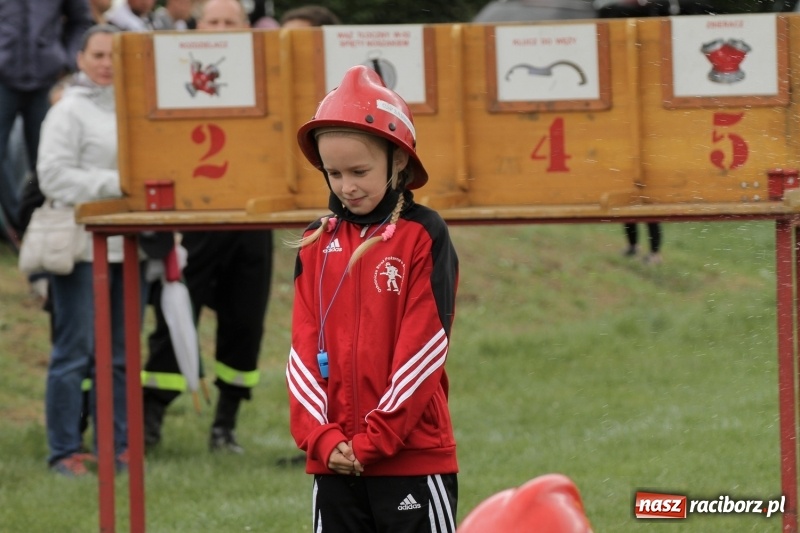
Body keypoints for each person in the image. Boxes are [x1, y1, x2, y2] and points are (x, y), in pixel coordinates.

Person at [286, 64, 460, 532]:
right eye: (334, 173)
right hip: (333, 459)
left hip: (411, 458)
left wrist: (373, 441)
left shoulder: (423, 235)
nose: (347, 186)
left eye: (360, 171)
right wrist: (321, 438)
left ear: (397, 160)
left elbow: (424, 349)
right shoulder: (315, 241)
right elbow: (302, 352)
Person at [141, 0, 273, 454]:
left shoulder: (265, 75)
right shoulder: (169, 74)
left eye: (229, 23)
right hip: (192, 218)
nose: (219, 29)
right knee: (175, 314)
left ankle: (226, 425)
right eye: (212, 22)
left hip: (251, 216)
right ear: (196, 27)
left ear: (246, 29)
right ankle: (152, 417)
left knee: (245, 321)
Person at [37, 24, 149, 477]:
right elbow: (52, 178)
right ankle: (64, 450)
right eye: (98, 54)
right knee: (75, 352)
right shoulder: (68, 110)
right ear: (80, 59)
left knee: (123, 355)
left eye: (114, 55)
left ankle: (118, 446)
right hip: (82, 249)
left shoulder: (140, 106)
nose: (106, 63)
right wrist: (119, 187)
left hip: (132, 248)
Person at [0, 0, 93, 248]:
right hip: (3, 80)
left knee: (47, 162)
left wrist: (66, 59)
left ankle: (40, 230)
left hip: (45, 81)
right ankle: (18, 224)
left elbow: (81, 20)